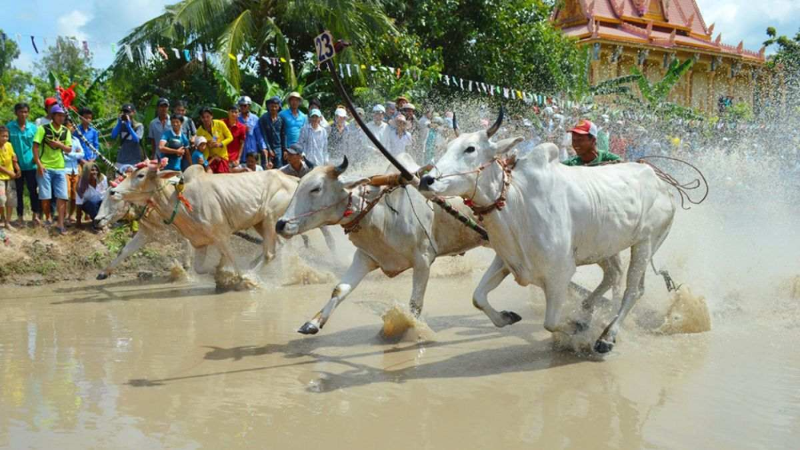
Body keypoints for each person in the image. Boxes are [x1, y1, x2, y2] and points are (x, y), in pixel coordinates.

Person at [32, 105, 72, 234]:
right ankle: (48, 218)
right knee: (45, 196)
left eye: (63, 116)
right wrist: (39, 164)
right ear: (53, 116)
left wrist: (59, 144)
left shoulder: (66, 131)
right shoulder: (43, 129)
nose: (61, 118)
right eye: (59, 115)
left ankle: (60, 224)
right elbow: (35, 147)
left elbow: (69, 149)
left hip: (60, 167)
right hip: (45, 166)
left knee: (62, 196)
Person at [6, 102, 41, 227]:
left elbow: (38, 146)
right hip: (16, 167)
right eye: (21, 111)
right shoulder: (9, 127)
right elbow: (6, 145)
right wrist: (14, 163)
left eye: (26, 112)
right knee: (18, 192)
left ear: (28, 113)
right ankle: (20, 217)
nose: (23, 114)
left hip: (31, 166)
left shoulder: (33, 128)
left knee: (33, 191)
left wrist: (36, 159)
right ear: (16, 113)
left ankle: (35, 216)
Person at [196, 107, 233, 173]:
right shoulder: (199, 131)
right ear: (200, 118)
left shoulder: (220, 124)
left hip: (222, 156)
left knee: (223, 177)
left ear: (212, 116)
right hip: (210, 158)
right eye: (203, 117)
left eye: (208, 116)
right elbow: (201, 148)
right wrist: (207, 144)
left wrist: (220, 144)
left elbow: (230, 137)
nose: (206, 119)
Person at [237, 96, 269, 169]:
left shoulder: (255, 118)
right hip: (241, 150)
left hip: (252, 149)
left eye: (244, 105)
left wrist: (263, 148)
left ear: (249, 106)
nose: (242, 107)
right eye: (241, 105)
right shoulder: (237, 118)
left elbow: (259, 135)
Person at [64, 119, 85, 225]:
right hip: (64, 169)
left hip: (75, 170)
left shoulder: (76, 140)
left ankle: (71, 215)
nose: (72, 127)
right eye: (69, 125)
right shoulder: (61, 139)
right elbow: (62, 156)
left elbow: (82, 154)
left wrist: (70, 154)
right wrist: (74, 155)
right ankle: (63, 215)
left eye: (73, 125)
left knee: (73, 194)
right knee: (65, 193)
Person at [111, 103, 144, 169]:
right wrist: (119, 123)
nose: (126, 114)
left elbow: (137, 140)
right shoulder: (121, 125)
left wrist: (129, 127)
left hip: (134, 161)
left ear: (133, 112)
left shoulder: (138, 126)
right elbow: (113, 136)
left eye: (128, 112)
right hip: (121, 160)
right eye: (124, 112)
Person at [0, 126, 21, 229]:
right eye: (3, 136)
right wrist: (10, 172)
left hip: (10, 177)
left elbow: (14, 158)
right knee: (1, 199)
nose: (5, 138)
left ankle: (7, 222)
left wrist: (17, 168)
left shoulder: (9, 145)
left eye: (6, 136)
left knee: (11, 199)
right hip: (1, 177)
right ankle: (2, 217)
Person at [76, 162, 107, 227]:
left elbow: (106, 193)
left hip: (101, 203)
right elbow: (79, 203)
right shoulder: (82, 183)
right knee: (92, 204)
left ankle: (104, 221)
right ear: (87, 172)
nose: (95, 172)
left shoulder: (103, 178)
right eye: (92, 170)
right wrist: (78, 221)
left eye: (96, 170)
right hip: (88, 205)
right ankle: (96, 223)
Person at [259, 96, 285, 169]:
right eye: (272, 106)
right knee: (266, 169)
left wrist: (285, 149)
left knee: (279, 169)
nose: (273, 108)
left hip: (278, 148)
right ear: (268, 106)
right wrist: (269, 149)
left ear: (278, 107)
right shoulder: (263, 118)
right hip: (267, 149)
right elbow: (263, 135)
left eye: (275, 106)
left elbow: (283, 135)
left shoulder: (281, 119)